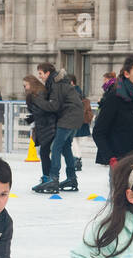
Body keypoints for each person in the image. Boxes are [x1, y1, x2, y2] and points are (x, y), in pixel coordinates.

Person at [29, 63, 84, 193]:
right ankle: (71, 177)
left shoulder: (55, 84)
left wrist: (38, 101)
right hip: (75, 116)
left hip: (69, 116)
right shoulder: (59, 82)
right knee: (65, 147)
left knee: (56, 147)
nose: (40, 76)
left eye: (41, 73)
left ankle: (53, 179)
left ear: (48, 73)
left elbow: (54, 106)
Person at [92, 55, 133, 166]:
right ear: (127, 74)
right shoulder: (115, 96)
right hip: (121, 160)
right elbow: (99, 132)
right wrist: (111, 159)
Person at [23, 74, 55, 178]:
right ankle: (48, 176)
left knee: (44, 153)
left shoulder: (38, 94)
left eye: (26, 85)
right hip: (44, 125)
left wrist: (33, 116)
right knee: (45, 153)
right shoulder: (37, 94)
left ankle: (49, 177)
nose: (25, 88)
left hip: (47, 126)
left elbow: (43, 109)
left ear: (31, 84)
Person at [69, 74, 92, 167]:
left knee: (73, 140)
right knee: (74, 140)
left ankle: (77, 159)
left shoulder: (73, 92)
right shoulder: (79, 91)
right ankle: (77, 158)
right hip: (80, 120)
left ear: (71, 82)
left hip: (76, 120)